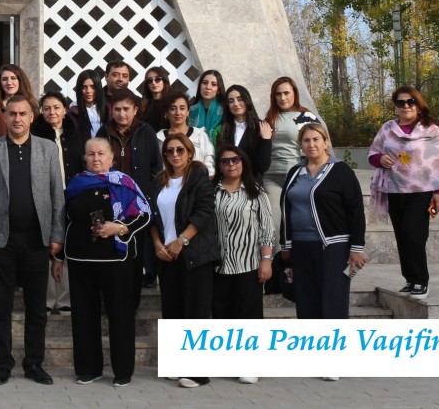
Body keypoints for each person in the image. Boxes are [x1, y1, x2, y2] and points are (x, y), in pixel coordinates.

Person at [0, 96, 66, 386]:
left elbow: (57, 194)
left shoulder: (47, 148)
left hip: (37, 240)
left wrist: (57, 234)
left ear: (31, 117)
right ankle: (4, 364)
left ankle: (34, 363)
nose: (17, 118)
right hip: (2, 240)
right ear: (4, 116)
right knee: (0, 308)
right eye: (12, 113)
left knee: (37, 308)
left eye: (22, 114)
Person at [63, 137, 152, 387]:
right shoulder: (76, 183)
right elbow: (65, 217)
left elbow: (145, 214)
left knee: (120, 314)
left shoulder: (124, 183)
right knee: (83, 315)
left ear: (111, 157)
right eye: (91, 154)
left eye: (101, 153)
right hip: (80, 258)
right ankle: (88, 368)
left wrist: (120, 228)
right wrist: (58, 257)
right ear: (85, 158)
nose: (96, 158)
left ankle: (122, 371)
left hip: (115, 258)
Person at [148, 133, 219, 389]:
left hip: (194, 255)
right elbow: (151, 216)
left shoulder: (198, 176)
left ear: (190, 152)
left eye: (180, 150)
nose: (175, 154)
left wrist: (182, 240)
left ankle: (198, 373)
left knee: (195, 313)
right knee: (173, 312)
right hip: (167, 255)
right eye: (170, 151)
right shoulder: (159, 181)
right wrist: (157, 244)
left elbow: (204, 212)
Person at [368, 86, 439, 300]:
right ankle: (410, 279)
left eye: (410, 102)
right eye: (400, 102)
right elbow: (373, 153)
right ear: (395, 107)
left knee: (413, 233)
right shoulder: (388, 129)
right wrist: (380, 159)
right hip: (394, 189)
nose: (406, 106)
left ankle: (421, 280)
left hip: (421, 190)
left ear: (418, 105)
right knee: (402, 235)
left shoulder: (430, 130)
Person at [280, 121, 367, 321]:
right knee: (306, 302)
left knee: (333, 303)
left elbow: (356, 211)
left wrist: (357, 247)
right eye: (306, 140)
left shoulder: (341, 171)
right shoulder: (295, 172)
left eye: (316, 139)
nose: (311, 144)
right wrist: (286, 244)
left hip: (334, 247)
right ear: (301, 145)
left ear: (325, 142)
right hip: (300, 247)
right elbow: (285, 209)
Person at [212, 145, 275, 385]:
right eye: (225, 161)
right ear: (219, 166)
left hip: (248, 264)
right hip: (219, 265)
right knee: (222, 314)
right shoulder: (212, 192)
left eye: (236, 160)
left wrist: (266, 260)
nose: (231, 165)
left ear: (243, 162)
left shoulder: (256, 192)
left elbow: (267, 229)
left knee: (248, 316)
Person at [96, 88, 163, 292]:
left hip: (139, 202)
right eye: (117, 109)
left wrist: (150, 196)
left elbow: (156, 168)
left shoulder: (146, 131)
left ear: (135, 110)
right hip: (112, 201)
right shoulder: (104, 133)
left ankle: (135, 293)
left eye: (126, 109)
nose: (121, 114)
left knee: (138, 250)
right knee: (113, 253)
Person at [261, 76, 322, 295]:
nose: (283, 97)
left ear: (294, 93)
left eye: (286, 93)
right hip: (271, 177)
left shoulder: (305, 116)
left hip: (296, 176)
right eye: (278, 94)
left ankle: (303, 274)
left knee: (298, 224)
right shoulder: (269, 118)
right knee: (275, 225)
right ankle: (279, 275)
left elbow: (320, 146)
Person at [33, 91, 85, 313]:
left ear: (65, 110)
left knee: (68, 244)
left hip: (72, 196)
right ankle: (47, 299)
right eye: (46, 108)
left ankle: (65, 299)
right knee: (46, 245)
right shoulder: (34, 135)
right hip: (44, 197)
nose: (51, 112)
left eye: (56, 107)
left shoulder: (76, 135)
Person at [218, 85, 272, 181]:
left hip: (252, 182)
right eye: (231, 101)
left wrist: (266, 140)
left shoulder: (260, 127)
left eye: (240, 99)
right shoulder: (223, 129)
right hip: (228, 182)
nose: (236, 104)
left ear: (247, 100)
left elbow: (263, 166)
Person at [156, 89, 216, 176]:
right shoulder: (159, 138)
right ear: (166, 113)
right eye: (173, 109)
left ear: (188, 112)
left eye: (182, 108)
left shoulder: (199, 135)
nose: (178, 113)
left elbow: (209, 161)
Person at [0, 64, 38, 136]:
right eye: (4, 79)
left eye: (13, 78)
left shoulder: (32, 106)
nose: (9, 83)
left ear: (20, 81)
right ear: (0, 83)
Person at [187, 69, 226, 147]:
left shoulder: (225, 111)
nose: (208, 87)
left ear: (218, 90)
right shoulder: (191, 110)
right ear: (200, 86)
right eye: (205, 83)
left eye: (213, 84)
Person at [67, 69, 105, 140]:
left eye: (92, 87)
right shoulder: (72, 112)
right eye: (84, 87)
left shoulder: (108, 109)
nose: (88, 91)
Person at [137, 65, 172, 131]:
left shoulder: (172, 103)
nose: (153, 83)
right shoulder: (142, 105)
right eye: (149, 80)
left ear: (164, 81)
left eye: (157, 79)